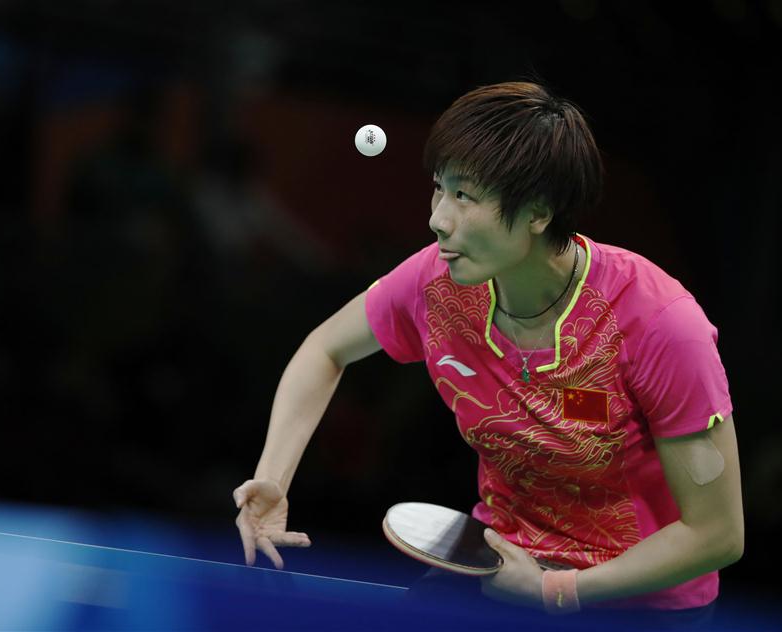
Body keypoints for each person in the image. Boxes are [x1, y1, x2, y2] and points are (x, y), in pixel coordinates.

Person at [232, 81, 742, 617]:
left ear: (538, 212)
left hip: (638, 605)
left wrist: (556, 590)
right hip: (498, 568)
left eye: (465, 196)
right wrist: (273, 478)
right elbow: (325, 348)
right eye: (440, 188)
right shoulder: (438, 283)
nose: (438, 218)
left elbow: (717, 534)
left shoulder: (659, 324)